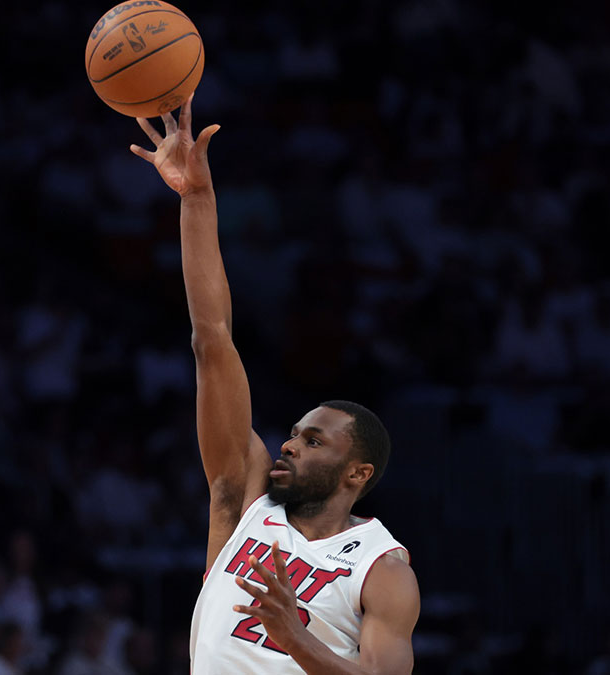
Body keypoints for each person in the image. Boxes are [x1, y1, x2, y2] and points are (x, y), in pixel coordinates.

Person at [129, 97, 420, 674]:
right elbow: (212, 341)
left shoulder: (382, 569)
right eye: (294, 434)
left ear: (358, 472)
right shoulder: (243, 497)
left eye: (314, 442)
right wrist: (196, 199)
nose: (287, 444)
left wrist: (295, 637)